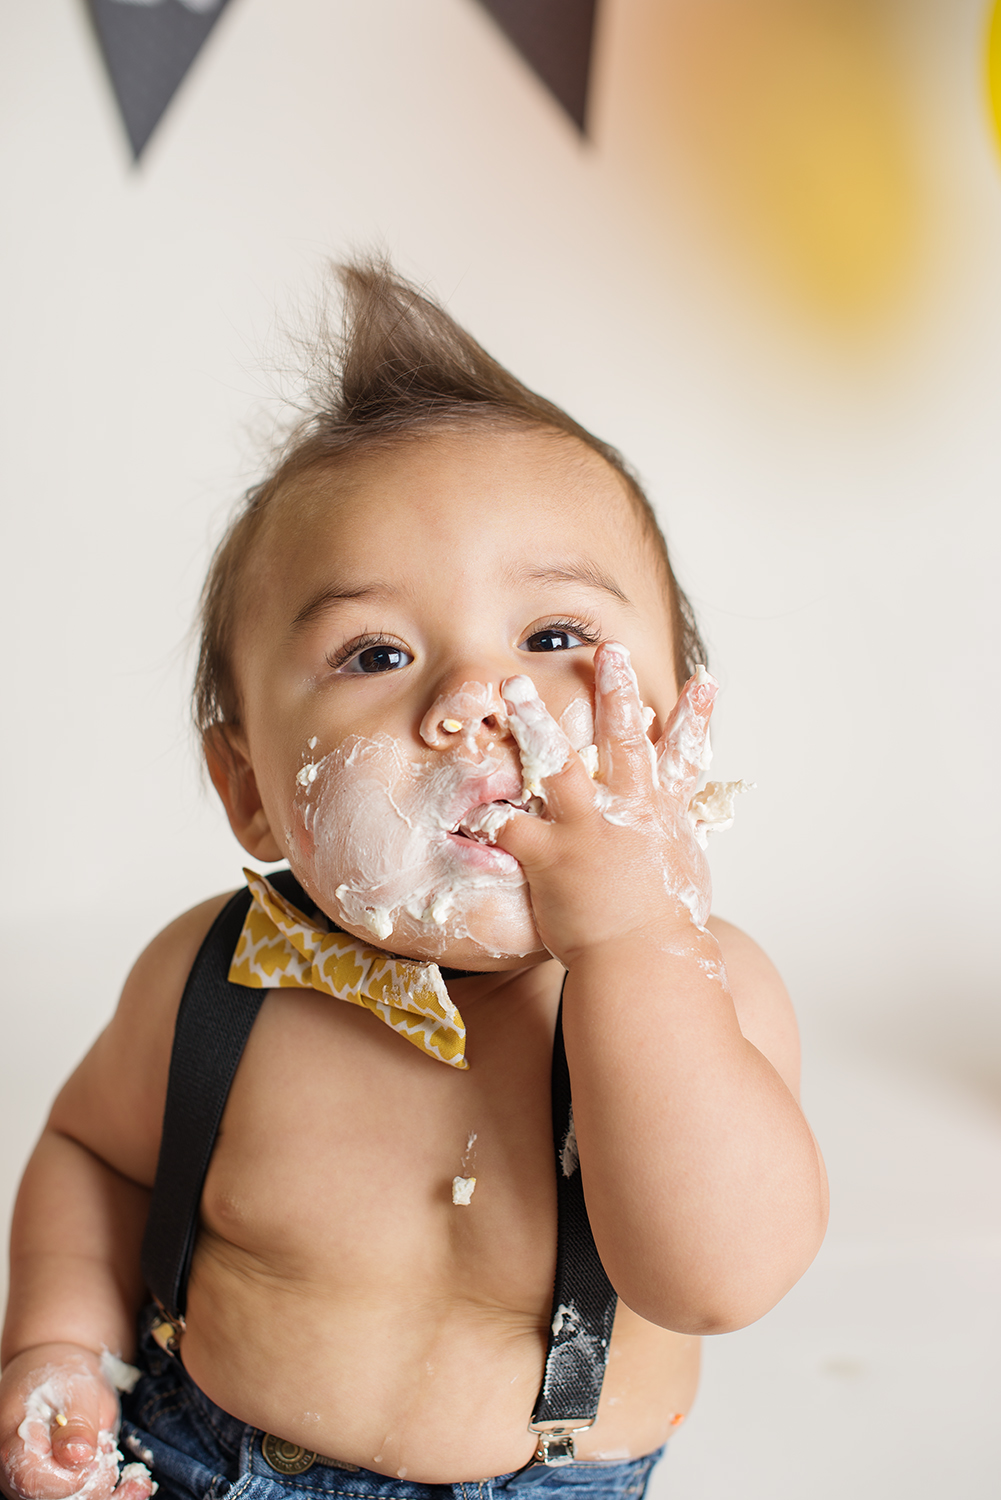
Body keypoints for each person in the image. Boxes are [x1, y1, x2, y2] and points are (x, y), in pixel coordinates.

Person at [0, 263, 828, 1500]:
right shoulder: (214, 980)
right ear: (248, 788)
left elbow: (717, 1276)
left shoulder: (705, 991)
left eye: (553, 639)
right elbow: (92, 1153)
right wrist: (58, 1346)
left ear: (672, 727)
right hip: (194, 1461)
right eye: (376, 652)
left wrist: (628, 945)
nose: (473, 703)